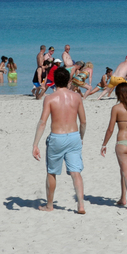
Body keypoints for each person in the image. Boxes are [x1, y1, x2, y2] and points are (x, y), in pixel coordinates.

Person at [32, 67, 87, 214]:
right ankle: (81, 205)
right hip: (74, 135)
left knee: (52, 172)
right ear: (69, 80)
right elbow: (83, 122)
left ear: (55, 80)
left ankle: (49, 205)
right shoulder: (77, 97)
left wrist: (35, 144)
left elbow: (42, 122)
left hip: (57, 137)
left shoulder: (50, 98)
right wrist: (81, 137)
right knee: (76, 172)